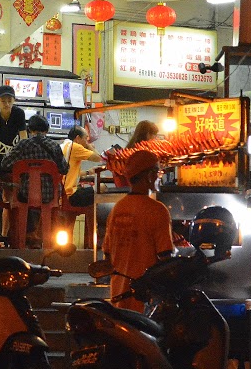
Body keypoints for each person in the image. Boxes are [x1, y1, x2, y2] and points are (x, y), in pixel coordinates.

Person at [101, 149, 175, 313]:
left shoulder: (117, 209)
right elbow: (165, 257)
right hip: (145, 302)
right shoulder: (157, 210)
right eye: (157, 171)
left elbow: (107, 254)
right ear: (149, 176)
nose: (158, 176)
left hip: (118, 297)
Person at [61, 126, 102, 197]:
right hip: (70, 194)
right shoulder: (75, 147)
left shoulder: (64, 145)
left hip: (61, 192)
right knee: (101, 187)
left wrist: (88, 172)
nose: (86, 142)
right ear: (77, 138)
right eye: (86, 138)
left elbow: (70, 173)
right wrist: (89, 147)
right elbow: (99, 158)